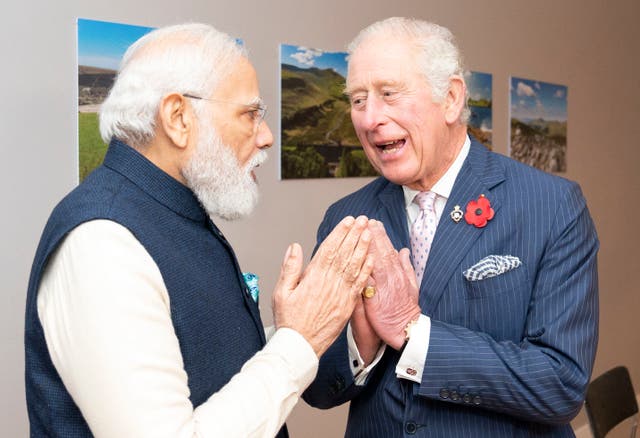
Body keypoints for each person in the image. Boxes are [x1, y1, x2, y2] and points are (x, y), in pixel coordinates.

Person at [24, 23, 375, 437]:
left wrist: (311, 323)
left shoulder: (171, 212)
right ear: (178, 118)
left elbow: (197, 359)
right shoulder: (102, 243)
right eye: (250, 114)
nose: (266, 137)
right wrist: (297, 341)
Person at [303, 17, 599, 437]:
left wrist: (413, 333)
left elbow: (560, 384)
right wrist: (359, 346)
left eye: (389, 94)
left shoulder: (551, 206)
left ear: (451, 98)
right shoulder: (346, 219)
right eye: (357, 100)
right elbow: (318, 389)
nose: (369, 120)